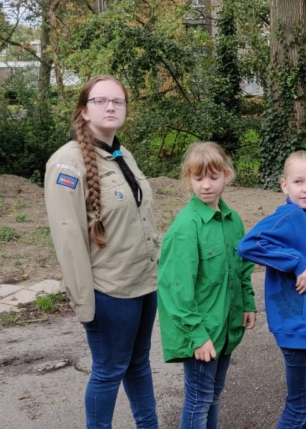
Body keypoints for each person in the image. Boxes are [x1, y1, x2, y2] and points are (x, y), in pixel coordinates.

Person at [45, 75, 161, 428]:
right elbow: (68, 241)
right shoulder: (66, 164)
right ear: (83, 110)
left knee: (139, 363)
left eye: (118, 101)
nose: (110, 106)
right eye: (100, 101)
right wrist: (84, 303)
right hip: (110, 292)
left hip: (143, 285)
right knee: (109, 370)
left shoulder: (122, 154)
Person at [237, 151, 306, 429]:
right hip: (302, 331)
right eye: (298, 182)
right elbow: (249, 244)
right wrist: (297, 262)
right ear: (284, 185)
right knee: (299, 408)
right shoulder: (291, 216)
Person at [157, 142, 257, 429]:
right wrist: (198, 336)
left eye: (213, 177)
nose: (205, 185)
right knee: (199, 399)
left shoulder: (232, 219)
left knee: (213, 395)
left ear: (226, 176)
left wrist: (248, 303)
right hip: (202, 332)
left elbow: (242, 268)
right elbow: (176, 289)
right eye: (198, 178)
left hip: (225, 326)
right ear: (188, 179)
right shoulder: (187, 226)